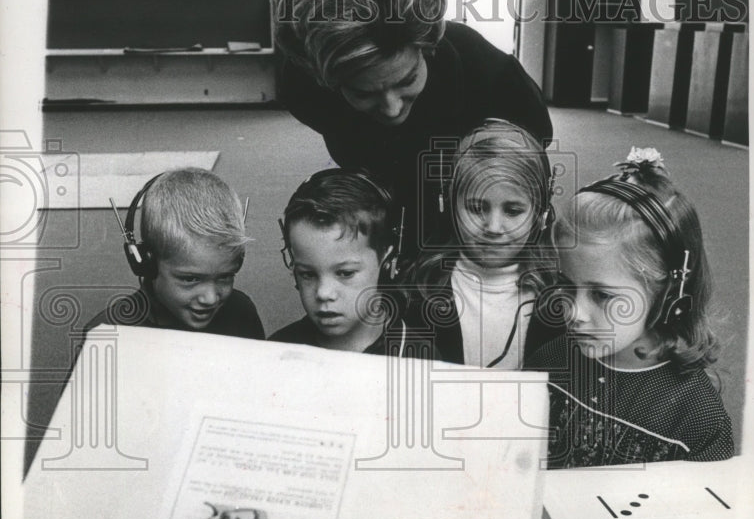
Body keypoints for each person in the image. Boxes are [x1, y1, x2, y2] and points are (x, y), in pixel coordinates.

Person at [274, 0, 552, 252]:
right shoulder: (303, 85)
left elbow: (528, 178)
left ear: (427, 48)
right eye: (363, 92)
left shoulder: (490, 76)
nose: (391, 109)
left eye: (407, 80)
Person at [526, 148, 734, 467]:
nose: (573, 312)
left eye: (602, 295)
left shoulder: (697, 418)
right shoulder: (547, 362)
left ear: (668, 294)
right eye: (567, 284)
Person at [402, 118, 562, 369]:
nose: (493, 228)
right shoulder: (418, 288)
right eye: (477, 208)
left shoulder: (561, 297)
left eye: (512, 210)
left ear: (540, 215)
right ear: (448, 206)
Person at [85, 167, 265, 338]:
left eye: (225, 277)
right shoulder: (108, 333)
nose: (210, 298)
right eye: (190, 279)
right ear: (147, 265)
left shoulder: (242, 313)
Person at [270, 169, 429, 357]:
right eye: (308, 274)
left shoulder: (419, 358)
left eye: (345, 273)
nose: (323, 293)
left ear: (388, 265)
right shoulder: (275, 351)